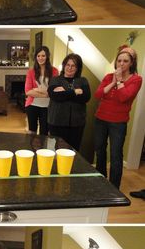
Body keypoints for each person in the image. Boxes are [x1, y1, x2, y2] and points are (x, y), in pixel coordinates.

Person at [94, 45, 142, 190]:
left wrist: (120, 81)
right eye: (119, 60)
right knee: (100, 150)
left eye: (125, 61)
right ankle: (101, 179)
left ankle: (114, 187)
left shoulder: (136, 80)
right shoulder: (108, 77)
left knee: (115, 155)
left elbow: (123, 97)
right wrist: (113, 82)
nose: (121, 63)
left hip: (118, 123)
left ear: (131, 63)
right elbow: (98, 95)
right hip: (100, 118)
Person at [48, 53, 91, 150]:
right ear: (64, 65)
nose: (70, 68)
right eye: (68, 65)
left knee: (74, 151)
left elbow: (86, 97)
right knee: (58, 150)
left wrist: (65, 93)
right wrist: (75, 92)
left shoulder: (83, 81)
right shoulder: (55, 80)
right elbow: (54, 96)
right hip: (57, 122)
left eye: (73, 66)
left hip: (77, 123)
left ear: (78, 68)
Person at [25, 45, 58, 135]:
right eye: (38, 56)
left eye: (43, 56)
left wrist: (37, 90)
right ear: (36, 57)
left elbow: (54, 90)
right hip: (32, 105)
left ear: (47, 57)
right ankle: (31, 149)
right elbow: (28, 91)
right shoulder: (31, 72)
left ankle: (42, 149)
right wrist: (46, 94)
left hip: (47, 107)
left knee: (44, 132)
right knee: (32, 131)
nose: (40, 58)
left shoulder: (54, 71)